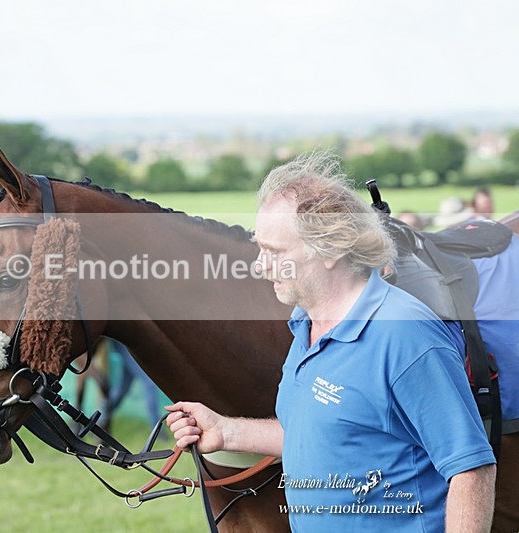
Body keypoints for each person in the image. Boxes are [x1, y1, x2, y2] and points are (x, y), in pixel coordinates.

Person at [166, 153, 496, 532]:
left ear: (330, 248)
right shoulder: (306, 326)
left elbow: (471, 468)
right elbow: (321, 431)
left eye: (275, 252)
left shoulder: (404, 334)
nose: (259, 266)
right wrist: (226, 431)